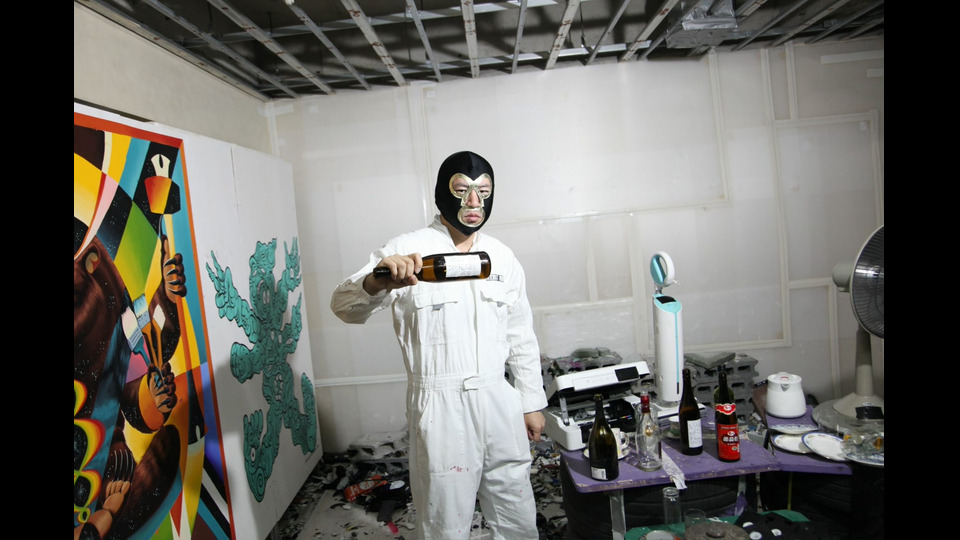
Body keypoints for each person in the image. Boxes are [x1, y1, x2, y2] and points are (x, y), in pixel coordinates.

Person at [330, 150, 547, 539]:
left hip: (499, 399)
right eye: (462, 190)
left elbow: (520, 332)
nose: (474, 202)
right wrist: (378, 280)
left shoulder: (501, 256)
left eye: (483, 191)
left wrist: (530, 401)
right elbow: (343, 307)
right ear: (443, 192)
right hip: (441, 405)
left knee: (516, 514)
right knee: (445, 522)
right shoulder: (406, 249)